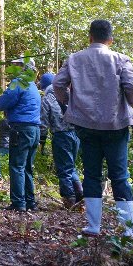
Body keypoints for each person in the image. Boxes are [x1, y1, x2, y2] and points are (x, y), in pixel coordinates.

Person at [53, 19, 133, 237]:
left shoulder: (74, 59)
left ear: (90, 37)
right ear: (110, 39)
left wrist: (67, 104)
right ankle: (127, 230)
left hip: (85, 124)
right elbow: (132, 84)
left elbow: (57, 84)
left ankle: (93, 226)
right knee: (119, 175)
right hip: (116, 124)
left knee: (91, 175)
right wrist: (129, 102)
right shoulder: (120, 59)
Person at [0, 63, 42, 212]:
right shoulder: (33, 85)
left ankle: (18, 203)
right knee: (27, 166)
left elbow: (1, 104)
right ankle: (30, 201)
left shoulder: (18, 83)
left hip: (21, 129)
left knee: (17, 166)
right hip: (34, 130)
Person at [39, 71, 83, 208]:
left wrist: (42, 140)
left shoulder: (47, 99)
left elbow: (43, 121)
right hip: (76, 135)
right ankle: (80, 193)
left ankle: (69, 200)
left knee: (64, 169)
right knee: (71, 167)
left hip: (61, 135)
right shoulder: (69, 94)